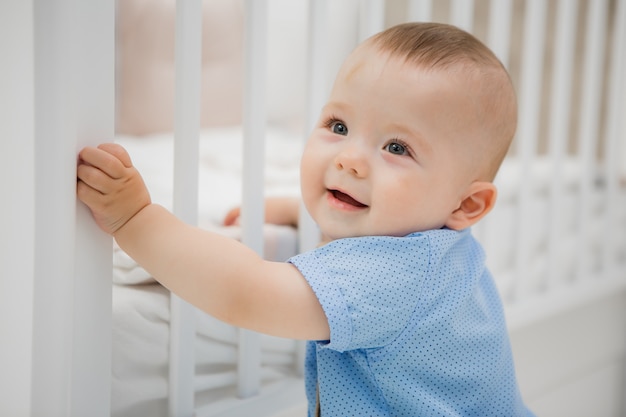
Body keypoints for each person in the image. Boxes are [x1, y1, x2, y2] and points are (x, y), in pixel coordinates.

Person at [77, 22, 534, 416]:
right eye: (338, 126)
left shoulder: (389, 276)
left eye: (397, 148)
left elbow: (247, 293)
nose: (350, 160)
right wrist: (295, 209)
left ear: (466, 206)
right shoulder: (438, 253)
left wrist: (136, 218)